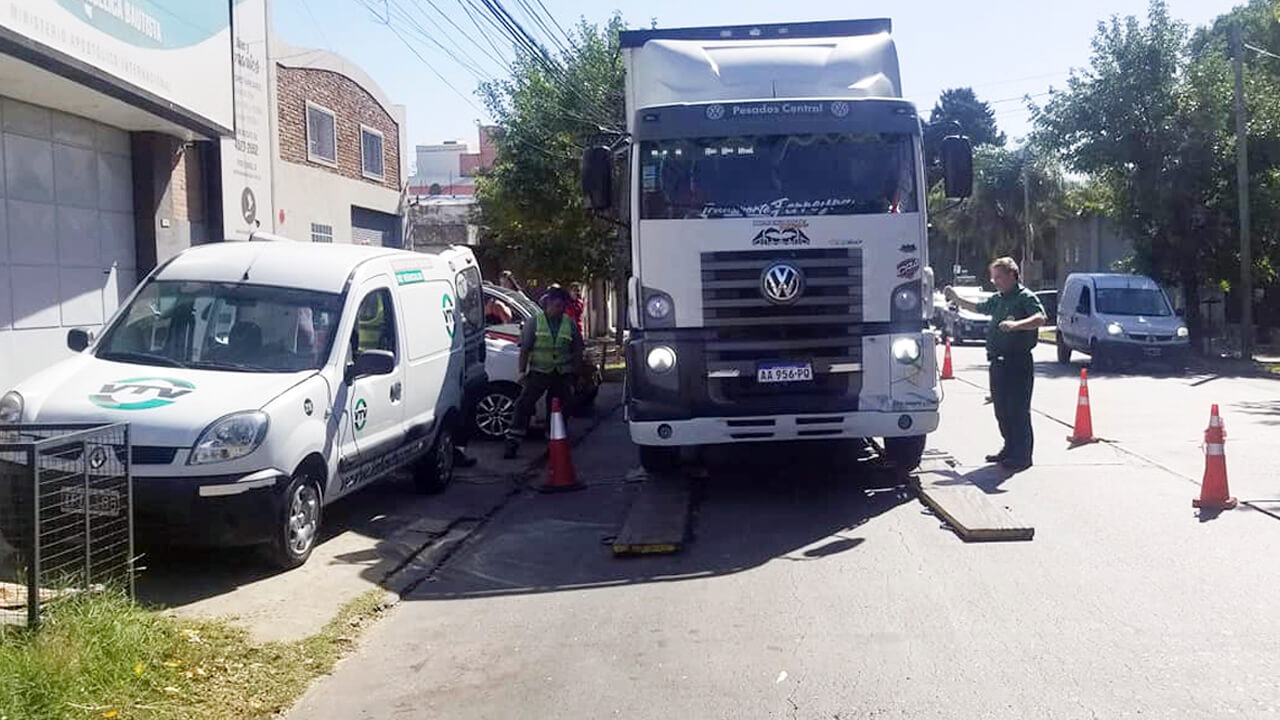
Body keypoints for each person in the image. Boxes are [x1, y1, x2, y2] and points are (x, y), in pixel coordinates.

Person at [944, 257, 1046, 472]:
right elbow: (978, 307)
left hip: (1017, 362)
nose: (995, 281)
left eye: (999, 277)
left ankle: (1022, 455)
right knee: (1001, 409)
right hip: (997, 362)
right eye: (993, 277)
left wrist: (1017, 325)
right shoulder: (998, 299)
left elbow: (1040, 318)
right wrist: (956, 299)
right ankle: (1009, 448)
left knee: (1017, 409)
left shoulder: (1024, 297)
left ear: (1012, 275)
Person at [504, 286, 585, 459]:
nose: (559, 310)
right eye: (556, 305)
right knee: (524, 405)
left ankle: (554, 442)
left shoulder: (568, 324)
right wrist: (522, 373)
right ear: (547, 304)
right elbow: (525, 349)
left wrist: (576, 375)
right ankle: (513, 441)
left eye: (562, 306)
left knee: (560, 408)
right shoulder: (534, 322)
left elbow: (577, 350)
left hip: (562, 374)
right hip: (539, 372)